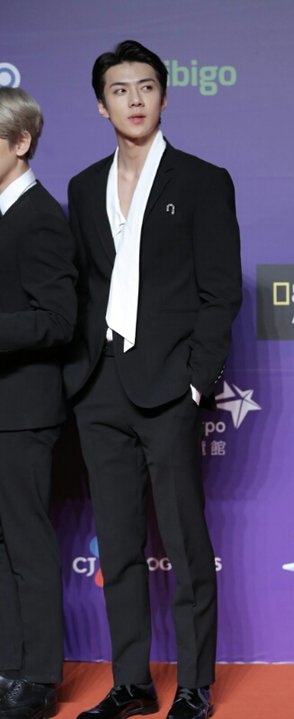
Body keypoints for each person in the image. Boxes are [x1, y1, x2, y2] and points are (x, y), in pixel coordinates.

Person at [64, 40, 242, 719]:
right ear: (101, 105)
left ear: (164, 96)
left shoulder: (202, 180)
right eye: (120, 89)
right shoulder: (83, 186)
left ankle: (194, 684)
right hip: (100, 387)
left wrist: (196, 380)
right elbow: (84, 288)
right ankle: (132, 682)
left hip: (169, 385)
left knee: (185, 539)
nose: (134, 99)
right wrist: (78, 377)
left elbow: (220, 292)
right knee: (117, 544)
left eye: (145, 86)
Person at [0, 87, 77, 719]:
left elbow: (58, 320)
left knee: (25, 542)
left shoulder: (40, 217)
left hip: (24, 410)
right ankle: (9, 667)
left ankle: (39, 678)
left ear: (21, 142)